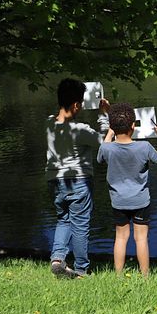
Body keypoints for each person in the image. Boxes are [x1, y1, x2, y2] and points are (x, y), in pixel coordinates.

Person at [46, 78, 110, 278]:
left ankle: (58, 259)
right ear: (76, 105)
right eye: (81, 103)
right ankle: (81, 269)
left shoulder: (48, 123)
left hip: (54, 180)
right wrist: (104, 116)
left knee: (63, 220)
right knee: (80, 225)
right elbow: (104, 143)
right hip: (79, 181)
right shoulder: (81, 130)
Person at [98, 103, 157, 277]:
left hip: (118, 201)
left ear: (112, 127)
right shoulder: (143, 147)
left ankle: (118, 276)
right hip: (140, 201)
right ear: (133, 126)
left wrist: (110, 131)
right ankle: (145, 277)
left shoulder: (106, 148)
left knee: (120, 238)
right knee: (141, 238)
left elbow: (102, 153)